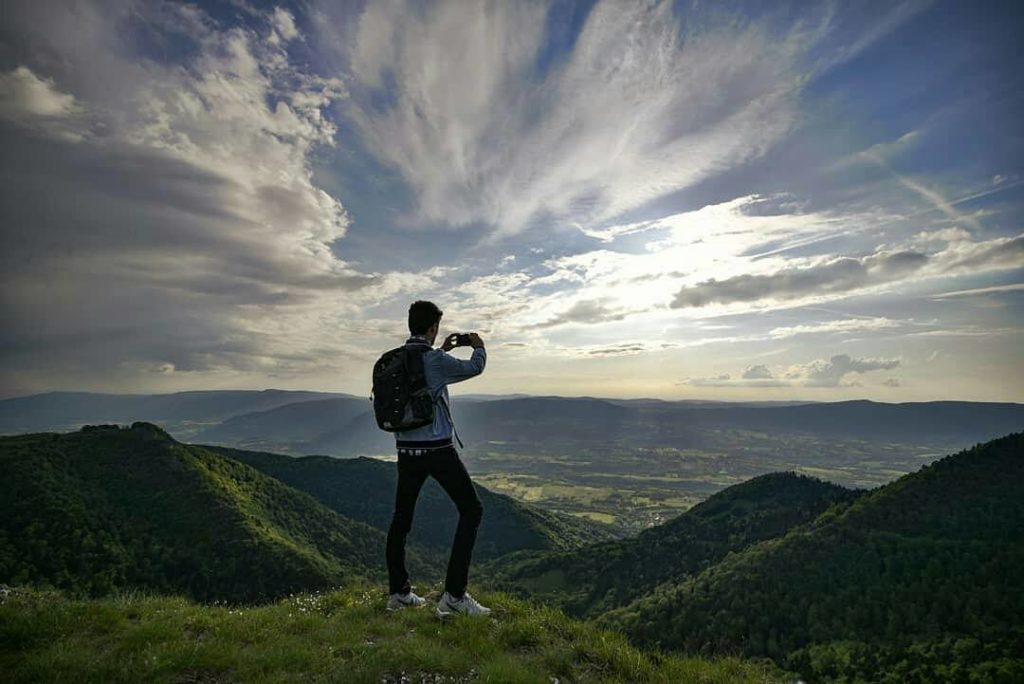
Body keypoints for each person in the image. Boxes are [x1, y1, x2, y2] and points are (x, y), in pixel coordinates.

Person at [385, 300, 491, 616]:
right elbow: (475, 367)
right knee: (471, 510)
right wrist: (478, 345)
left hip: (405, 451)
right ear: (433, 328)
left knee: (401, 519)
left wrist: (442, 349)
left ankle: (399, 593)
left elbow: (421, 379)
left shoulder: (397, 359)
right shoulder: (435, 361)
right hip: (438, 450)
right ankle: (454, 597)